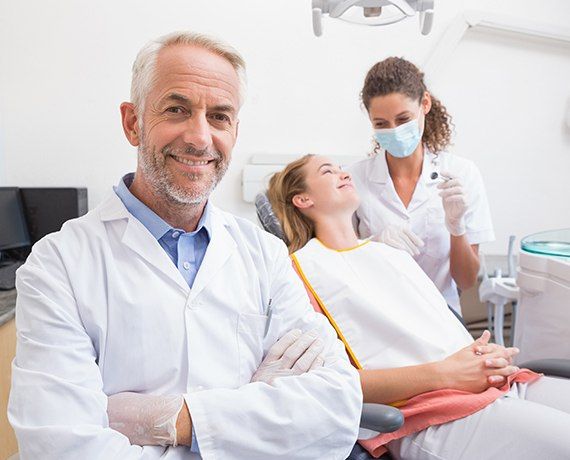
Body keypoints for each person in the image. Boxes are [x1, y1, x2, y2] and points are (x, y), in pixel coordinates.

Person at [8, 32, 363, 460]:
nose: (200, 137)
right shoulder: (57, 265)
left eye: (219, 117)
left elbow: (337, 408)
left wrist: (174, 419)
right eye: (177, 110)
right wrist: (254, 411)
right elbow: (61, 447)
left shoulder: (265, 255)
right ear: (132, 122)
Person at [267, 154, 570, 459]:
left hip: (498, 384)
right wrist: (447, 373)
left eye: (340, 168)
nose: (342, 173)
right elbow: (330, 383)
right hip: (434, 414)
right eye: (327, 171)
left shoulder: (390, 253)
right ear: (303, 199)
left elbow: (439, 331)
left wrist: (486, 355)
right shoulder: (300, 272)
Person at [346, 57, 494, 314]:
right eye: (381, 124)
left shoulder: (462, 173)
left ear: (424, 104)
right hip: (379, 315)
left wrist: (456, 228)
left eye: (403, 119)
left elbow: (467, 280)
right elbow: (342, 265)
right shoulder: (354, 178)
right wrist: (370, 245)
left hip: (442, 314)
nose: (393, 131)